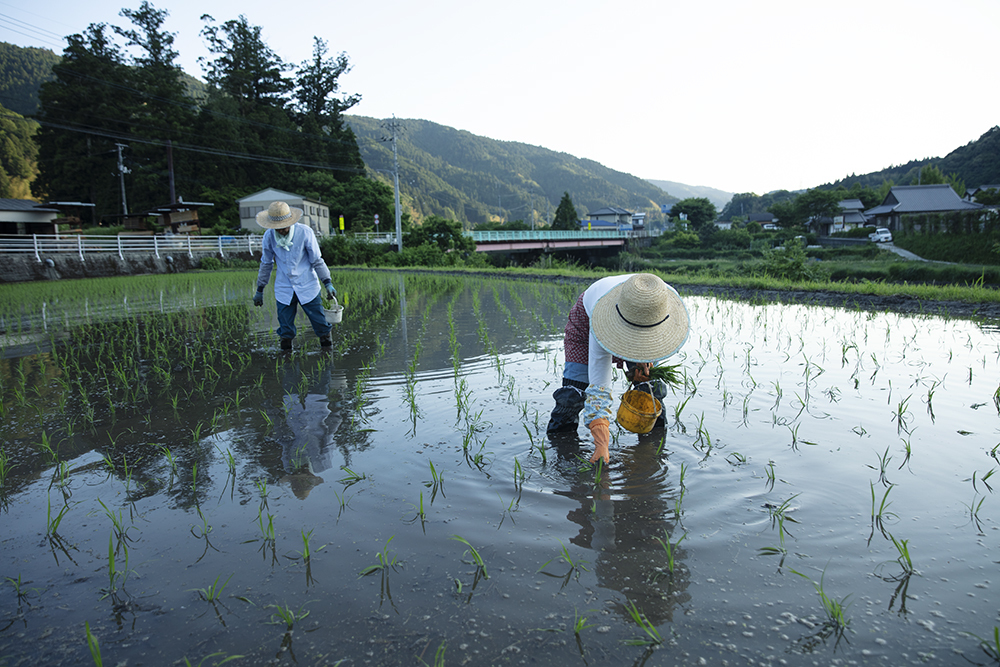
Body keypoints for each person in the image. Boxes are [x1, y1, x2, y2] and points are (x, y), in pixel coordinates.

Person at [546, 273, 689, 464]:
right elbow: (600, 385)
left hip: (641, 319)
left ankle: (653, 453)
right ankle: (560, 449)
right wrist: (601, 442)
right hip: (587, 326)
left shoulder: (660, 299)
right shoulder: (600, 315)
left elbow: (653, 339)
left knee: (650, 387)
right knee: (573, 394)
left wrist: (642, 363)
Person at [252, 201, 337, 350]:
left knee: (321, 324)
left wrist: (327, 282)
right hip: (284, 288)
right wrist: (260, 289)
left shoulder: (305, 232)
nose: (281, 231)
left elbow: (317, 260)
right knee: (285, 329)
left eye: (283, 227)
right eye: (277, 228)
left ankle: (328, 353)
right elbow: (266, 263)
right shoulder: (269, 237)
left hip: (307, 285)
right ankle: (287, 361)